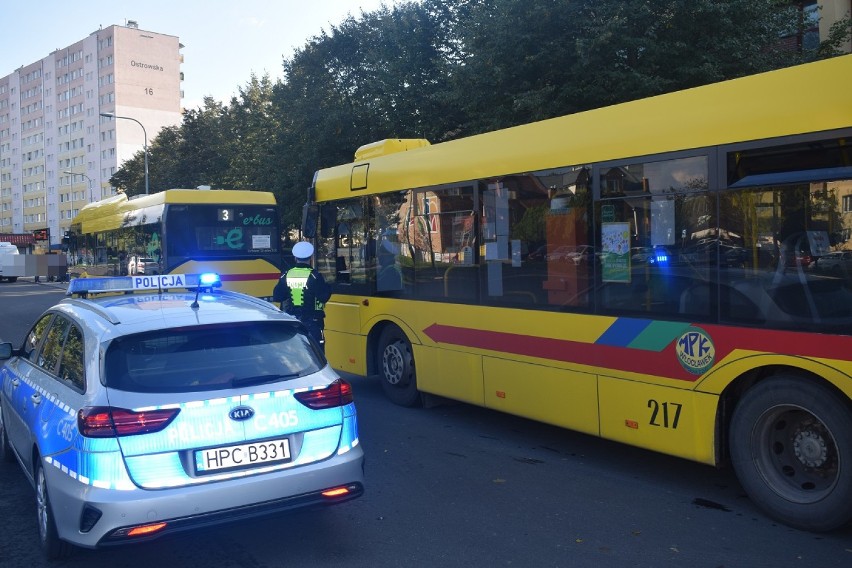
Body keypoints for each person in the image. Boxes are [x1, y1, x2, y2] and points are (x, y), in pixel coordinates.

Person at [273, 241, 331, 351]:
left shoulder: (286, 275)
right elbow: (324, 297)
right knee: (316, 353)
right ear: (310, 258)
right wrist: (328, 287)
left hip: (292, 322)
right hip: (313, 323)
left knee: (295, 353)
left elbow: (277, 296)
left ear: (295, 258)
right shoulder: (315, 276)